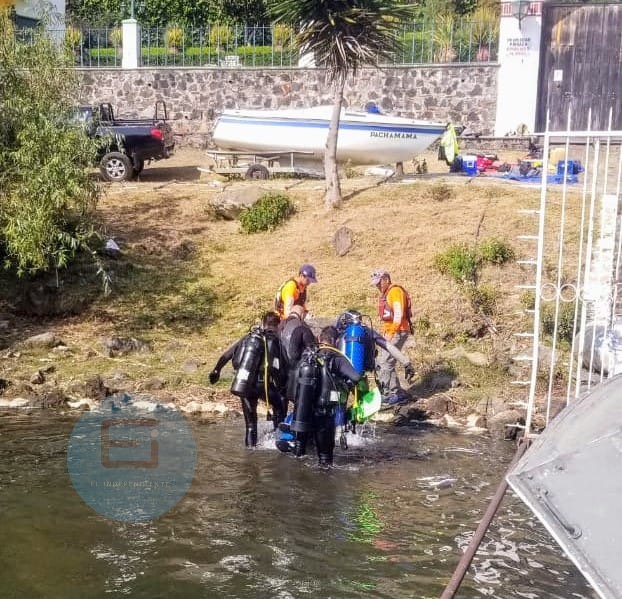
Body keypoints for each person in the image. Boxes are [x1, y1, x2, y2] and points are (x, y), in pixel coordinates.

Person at [278, 326, 362, 467]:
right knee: (325, 460)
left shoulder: (309, 355)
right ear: (336, 342)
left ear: (319, 339)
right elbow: (356, 377)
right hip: (324, 415)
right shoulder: (336, 357)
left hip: (303, 413)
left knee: (299, 456)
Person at [208, 311, 287, 448]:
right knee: (279, 406)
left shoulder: (249, 337)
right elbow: (278, 368)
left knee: (250, 425)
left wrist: (216, 370)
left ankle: (250, 451)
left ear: (263, 323)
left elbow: (226, 355)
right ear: (277, 325)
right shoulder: (273, 340)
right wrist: (282, 386)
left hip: (244, 384)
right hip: (263, 385)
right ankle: (278, 442)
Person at [369, 270, 414, 405]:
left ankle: (389, 393)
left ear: (386, 279)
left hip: (398, 331)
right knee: (384, 361)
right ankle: (397, 391)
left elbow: (398, 314)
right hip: (390, 332)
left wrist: (391, 333)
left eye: (379, 283)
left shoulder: (394, 292)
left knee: (386, 362)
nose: (378, 286)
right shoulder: (386, 293)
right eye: (376, 284)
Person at [278, 304, 316, 414]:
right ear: (302, 314)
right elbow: (311, 348)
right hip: (295, 371)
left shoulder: (280, 325)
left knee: (281, 401)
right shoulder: (301, 326)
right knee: (299, 401)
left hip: (278, 370)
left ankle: (278, 423)